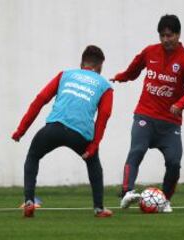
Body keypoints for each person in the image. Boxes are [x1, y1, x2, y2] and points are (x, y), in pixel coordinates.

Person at [111, 14, 184, 212]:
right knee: (137, 150)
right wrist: (122, 77)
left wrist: (181, 104)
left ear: (178, 35)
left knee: (174, 162)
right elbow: (134, 69)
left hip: (170, 123)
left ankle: (165, 200)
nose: (166, 40)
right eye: (162, 36)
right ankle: (127, 192)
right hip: (145, 115)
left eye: (170, 35)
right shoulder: (150, 52)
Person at [12, 45, 114, 218]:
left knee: (33, 156)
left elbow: (40, 100)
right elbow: (104, 116)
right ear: (100, 66)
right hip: (80, 135)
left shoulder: (65, 75)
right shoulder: (105, 85)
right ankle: (99, 208)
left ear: (82, 63)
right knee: (93, 164)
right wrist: (93, 146)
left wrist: (21, 130)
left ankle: (29, 201)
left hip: (54, 128)